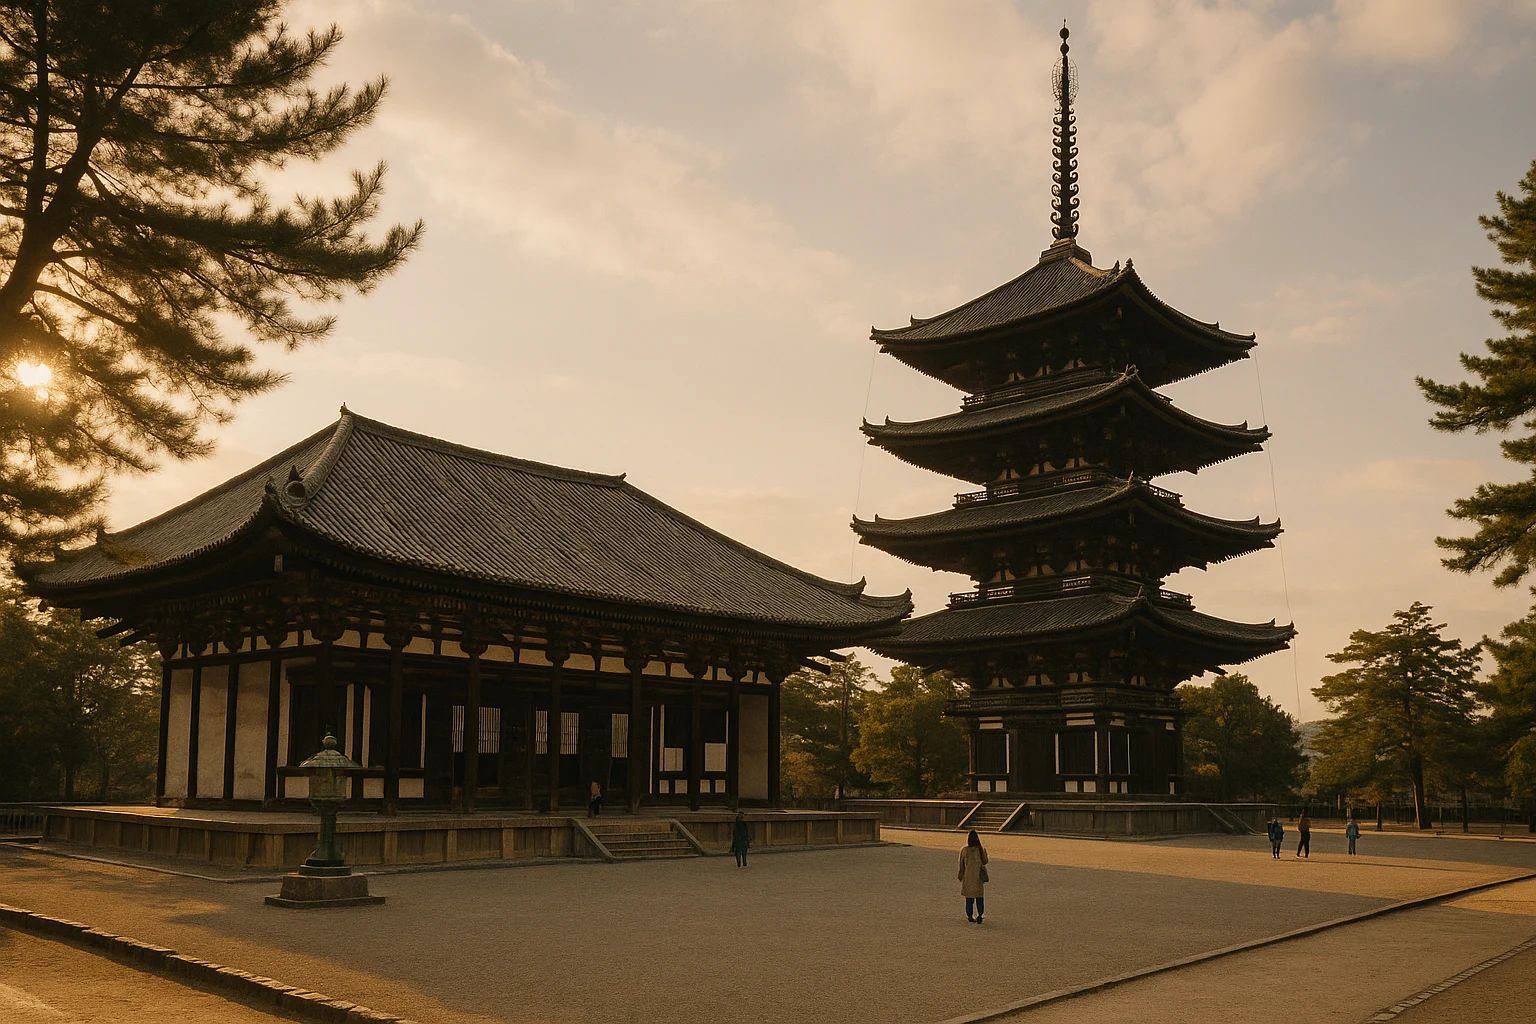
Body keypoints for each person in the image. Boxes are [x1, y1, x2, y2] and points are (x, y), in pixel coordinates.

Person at [958, 829, 989, 924]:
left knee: (969, 898)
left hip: (968, 876)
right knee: (979, 897)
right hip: (978, 877)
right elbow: (985, 861)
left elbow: (961, 864)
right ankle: (980, 914)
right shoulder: (980, 850)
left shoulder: (964, 850)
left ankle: (970, 915)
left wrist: (960, 875)